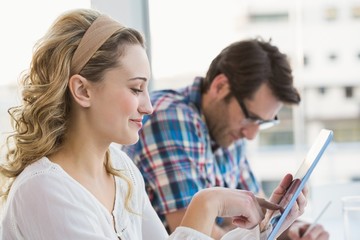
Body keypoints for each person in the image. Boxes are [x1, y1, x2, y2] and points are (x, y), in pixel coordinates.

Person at [0, 8, 305, 240]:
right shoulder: (44, 190)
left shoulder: (120, 171)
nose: (148, 106)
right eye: (135, 89)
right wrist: (207, 203)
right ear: (82, 90)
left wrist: (265, 229)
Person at [122, 38, 329, 240]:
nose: (251, 135)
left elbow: (255, 215)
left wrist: (291, 229)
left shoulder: (229, 127)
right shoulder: (169, 117)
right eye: (251, 118)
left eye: (262, 123)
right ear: (220, 86)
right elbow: (195, 232)